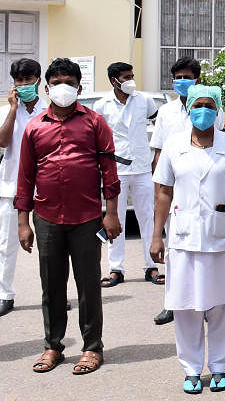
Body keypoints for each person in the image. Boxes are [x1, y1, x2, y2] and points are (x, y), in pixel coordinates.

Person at [15, 57, 123, 376]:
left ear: (79, 86)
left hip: (87, 217)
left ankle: (92, 347)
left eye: (69, 81)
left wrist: (112, 214)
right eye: (57, 81)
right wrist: (23, 222)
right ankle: (53, 345)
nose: (62, 87)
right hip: (46, 217)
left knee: (88, 283)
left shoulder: (94, 122)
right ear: (47, 87)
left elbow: (109, 171)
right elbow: (25, 177)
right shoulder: (34, 127)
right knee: (51, 284)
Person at [150, 84, 225, 394]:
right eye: (198, 105)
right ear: (189, 108)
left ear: (218, 109)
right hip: (182, 236)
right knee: (185, 306)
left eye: (210, 105)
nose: (203, 111)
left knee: (223, 306)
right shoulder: (173, 145)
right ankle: (191, 369)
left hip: (224, 235)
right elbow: (164, 191)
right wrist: (156, 236)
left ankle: (221, 366)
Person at [0, 57, 47, 318]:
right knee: (6, 243)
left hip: (47, 187)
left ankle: (53, 293)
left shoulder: (49, 109)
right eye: (19, 81)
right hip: (12, 186)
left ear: (38, 79)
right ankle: (4, 294)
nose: (24, 84)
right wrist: (13, 109)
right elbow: (0, 142)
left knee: (52, 245)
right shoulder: (5, 111)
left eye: (28, 79)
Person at [96, 62, 162, 288]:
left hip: (143, 167)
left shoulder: (144, 100)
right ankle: (116, 268)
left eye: (132, 75)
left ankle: (151, 265)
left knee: (147, 216)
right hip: (116, 169)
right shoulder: (101, 105)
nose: (131, 80)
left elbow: (158, 125)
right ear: (114, 80)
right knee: (115, 219)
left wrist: (157, 154)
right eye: (126, 77)